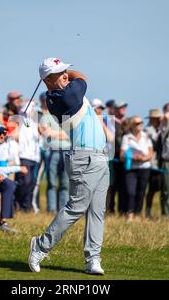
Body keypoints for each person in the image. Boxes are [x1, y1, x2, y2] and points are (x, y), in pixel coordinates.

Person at [29, 58, 109, 275]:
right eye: (59, 73)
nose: (65, 74)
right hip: (85, 156)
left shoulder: (59, 93)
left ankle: (93, 259)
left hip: (100, 156)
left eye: (65, 70)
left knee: (97, 211)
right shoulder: (66, 96)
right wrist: (69, 72)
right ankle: (40, 246)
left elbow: (72, 77)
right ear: (47, 80)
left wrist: (60, 71)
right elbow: (81, 76)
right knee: (76, 207)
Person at [39, 93, 70, 213]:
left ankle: (63, 209)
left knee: (64, 183)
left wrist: (54, 133)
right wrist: (63, 135)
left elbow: (70, 134)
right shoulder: (45, 117)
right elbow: (47, 134)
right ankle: (51, 209)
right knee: (51, 182)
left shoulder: (68, 116)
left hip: (66, 152)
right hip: (52, 152)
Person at [120, 116, 153, 222]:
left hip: (144, 168)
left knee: (141, 192)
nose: (140, 124)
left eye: (141, 122)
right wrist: (130, 157)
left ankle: (137, 214)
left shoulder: (146, 136)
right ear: (132, 125)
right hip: (131, 168)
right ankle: (129, 214)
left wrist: (143, 158)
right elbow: (122, 155)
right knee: (131, 192)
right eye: (137, 123)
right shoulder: (127, 137)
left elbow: (150, 153)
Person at [107, 100, 128, 215]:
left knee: (122, 186)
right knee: (110, 185)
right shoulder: (110, 122)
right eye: (120, 107)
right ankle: (109, 210)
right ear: (114, 109)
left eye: (124, 106)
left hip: (123, 160)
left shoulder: (127, 122)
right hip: (111, 158)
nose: (123, 109)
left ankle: (122, 211)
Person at [144, 108, 163, 218]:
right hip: (150, 163)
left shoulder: (161, 130)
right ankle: (147, 212)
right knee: (150, 191)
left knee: (158, 189)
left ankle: (159, 213)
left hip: (159, 163)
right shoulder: (147, 130)